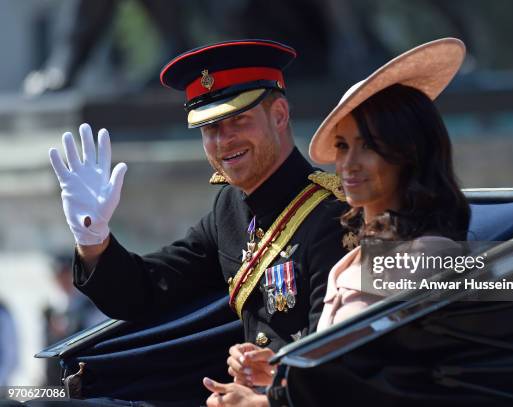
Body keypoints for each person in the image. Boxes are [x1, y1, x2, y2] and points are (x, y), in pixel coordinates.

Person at [47, 39, 350, 404]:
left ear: (280, 115)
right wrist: (92, 236)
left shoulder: (332, 216)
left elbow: (336, 360)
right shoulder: (230, 209)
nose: (224, 141)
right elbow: (148, 290)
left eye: (239, 120)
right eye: (210, 129)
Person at [203, 38, 470, 407]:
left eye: (369, 145)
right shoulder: (352, 260)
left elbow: (389, 384)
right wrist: (277, 373)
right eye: (342, 146)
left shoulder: (431, 255)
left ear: (408, 153)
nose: (348, 164)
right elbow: (339, 371)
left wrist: (264, 402)